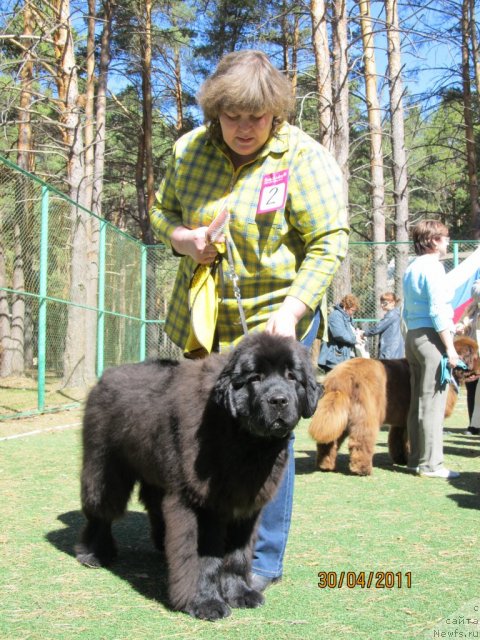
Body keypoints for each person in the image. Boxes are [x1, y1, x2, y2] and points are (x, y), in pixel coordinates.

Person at [149, 50, 349, 591]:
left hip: (279, 316)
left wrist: (292, 311)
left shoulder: (304, 159)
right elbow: (160, 210)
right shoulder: (188, 150)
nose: (243, 128)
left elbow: (330, 241)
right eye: (231, 117)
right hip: (205, 314)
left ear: (276, 114)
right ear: (216, 112)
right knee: (203, 432)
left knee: (269, 429)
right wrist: (183, 239)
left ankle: (257, 562)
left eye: (256, 118)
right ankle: (202, 551)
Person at [402, 219, 461, 479]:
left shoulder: (411, 267)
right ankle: (432, 464)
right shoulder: (434, 268)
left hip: (413, 335)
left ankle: (416, 459)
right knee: (433, 402)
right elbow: (437, 310)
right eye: (445, 238)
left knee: (418, 401)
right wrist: (450, 347)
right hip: (431, 339)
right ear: (434, 240)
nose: (448, 242)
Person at [455, 279, 480, 435]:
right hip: (474, 354)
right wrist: (462, 326)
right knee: (472, 387)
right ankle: (473, 425)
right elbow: (475, 291)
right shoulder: (471, 310)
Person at [317, 294, 361, 372]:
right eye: (352, 310)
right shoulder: (336, 315)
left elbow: (349, 332)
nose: (352, 313)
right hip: (334, 357)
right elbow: (339, 334)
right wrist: (355, 339)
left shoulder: (347, 317)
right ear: (345, 306)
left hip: (343, 356)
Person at [363, 292, 405, 359]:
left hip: (390, 350)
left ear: (393, 302)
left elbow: (377, 328)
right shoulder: (396, 313)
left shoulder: (391, 315)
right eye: (381, 303)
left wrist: (364, 333)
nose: (382, 305)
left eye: (384, 303)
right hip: (395, 349)